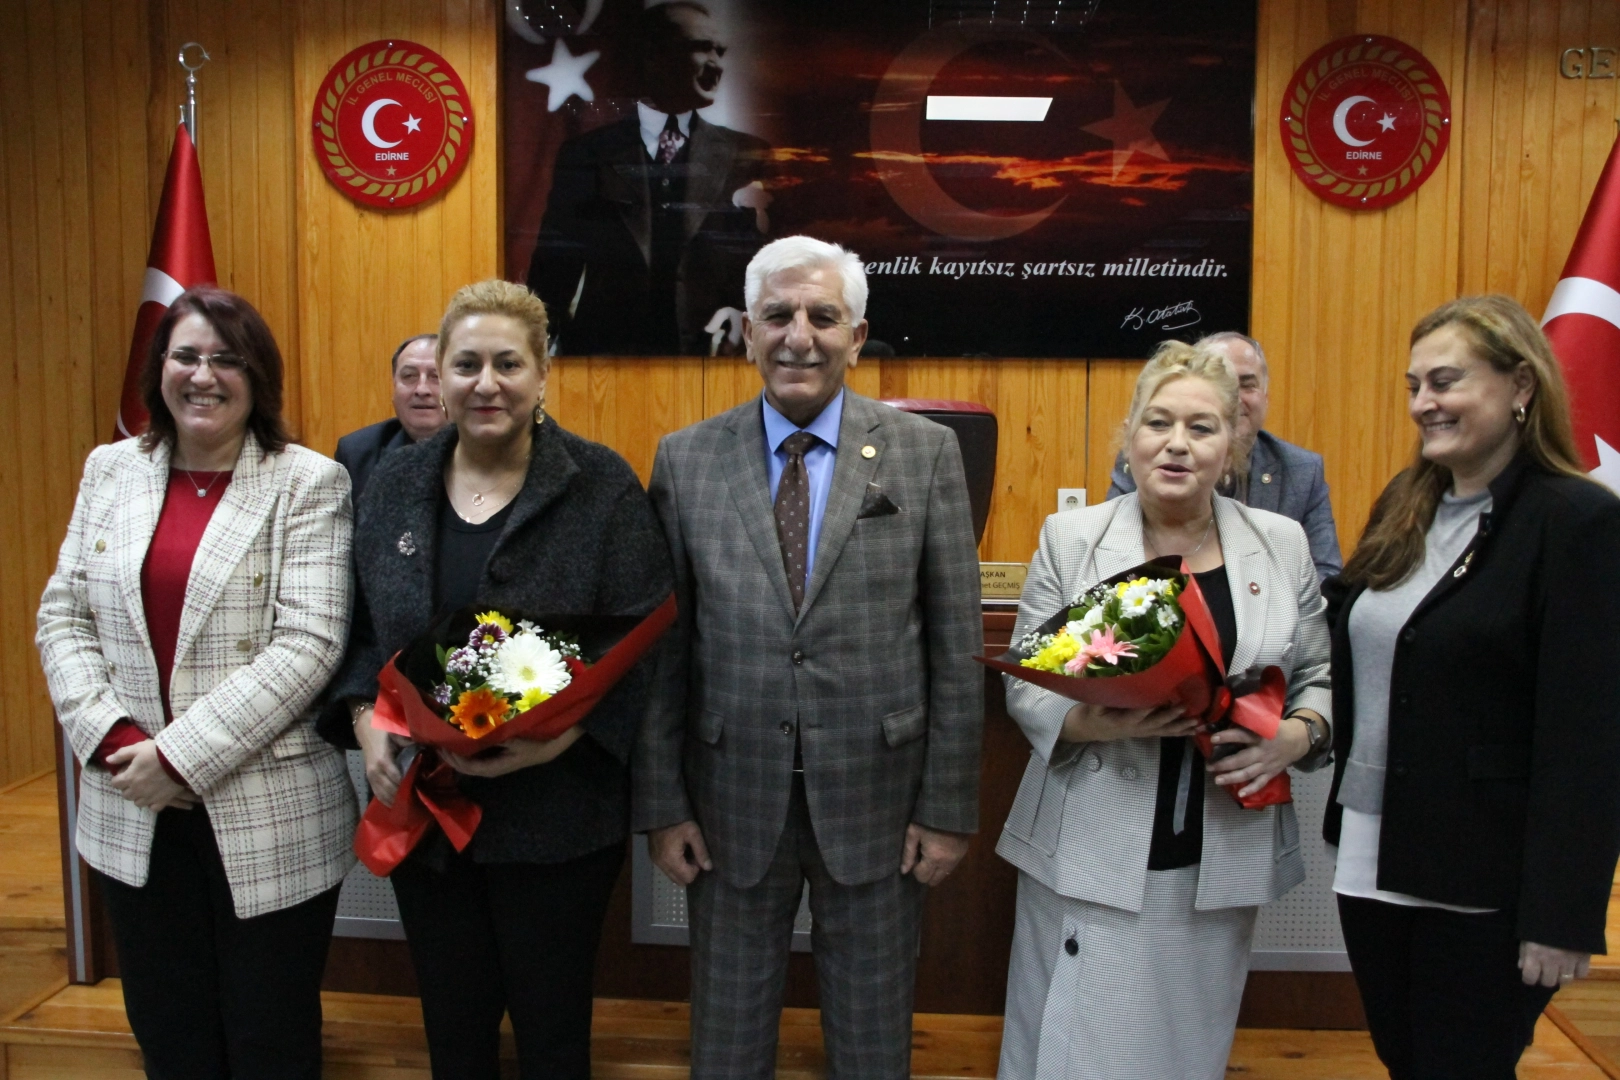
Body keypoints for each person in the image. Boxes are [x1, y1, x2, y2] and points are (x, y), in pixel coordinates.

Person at [634, 235, 984, 1079]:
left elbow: (955, 645)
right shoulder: (686, 459)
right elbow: (665, 650)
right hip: (729, 800)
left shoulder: (925, 453)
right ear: (747, 333)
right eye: (778, 316)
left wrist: (947, 809)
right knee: (726, 1039)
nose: (800, 336)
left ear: (857, 337)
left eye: (823, 317)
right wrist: (663, 804)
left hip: (878, 800)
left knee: (872, 1040)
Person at [318, 279, 672, 1080]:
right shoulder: (392, 485)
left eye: (508, 364)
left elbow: (646, 640)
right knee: (454, 1031)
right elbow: (360, 630)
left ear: (543, 373)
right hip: (426, 813)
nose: (487, 383)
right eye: (467, 364)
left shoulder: (601, 485)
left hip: (560, 818)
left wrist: (562, 741)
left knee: (553, 1036)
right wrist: (367, 724)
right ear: (440, 375)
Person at [36, 285, 357, 1078]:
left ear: (258, 376)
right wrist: (116, 742)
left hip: (266, 808)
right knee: (167, 1031)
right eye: (185, 355)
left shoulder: (308, 481)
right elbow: (63, 617)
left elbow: (308, 644)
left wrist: (177, 758)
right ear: (159, 369)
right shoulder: (110, 469)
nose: (203, 375)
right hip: (131, 801)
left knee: (269, 1038)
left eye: (227, 358)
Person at [997, 339, 1332, 1080]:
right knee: (1073, 1047)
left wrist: (1295, 737)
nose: (1177, 443)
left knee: (1184, 1047)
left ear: (1233, 446)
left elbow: (1317, 675)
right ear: (1130, 436)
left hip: (1221, 845)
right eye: (1158, 422)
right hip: (1089, 840)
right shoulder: (1073, 539)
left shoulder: (1279, 544)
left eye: (1201, 427)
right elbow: (1027, 682)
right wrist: (1095, 720)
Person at [1323, 295, 1620, 1078]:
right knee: (1406, 1062)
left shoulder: (1577, 521)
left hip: (1485, 879)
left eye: (1445, 381)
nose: (1424, 403)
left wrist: (1563, 913)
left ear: (1521, 385)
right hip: (1371, 856)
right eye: (1414, 385)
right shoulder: (1405, 504)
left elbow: (1588, 738)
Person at [527, 1, 770, 356]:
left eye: (720, 51)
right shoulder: (587, 154)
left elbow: (770, 267)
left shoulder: (748, 154)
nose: (716, 64)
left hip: (714, 360)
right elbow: (551, 274)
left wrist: (745, 314)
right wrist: (539, 351)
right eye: (701, 47)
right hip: (605, 362)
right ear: (654, 55)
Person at [1108, 331, 1342, 581]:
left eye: (1246, 384)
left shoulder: (1301, 471)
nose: (1234, 397)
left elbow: (1325, 574)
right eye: (1221, 380)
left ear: (1266, 397)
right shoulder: (1149, 459)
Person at [334, 333, 445, 502]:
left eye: (435, 377)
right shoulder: (358, 453)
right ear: (394, 387)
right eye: (409, 376)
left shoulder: (482, 450)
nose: (422, 389)